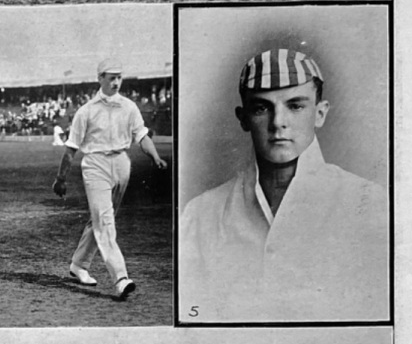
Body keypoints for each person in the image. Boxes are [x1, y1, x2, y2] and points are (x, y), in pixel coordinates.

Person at [178, 45, 389, 322]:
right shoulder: (201, 213)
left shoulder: (370, 202)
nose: (278, 122)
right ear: (243, 119)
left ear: (320, 113)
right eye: (261, 108)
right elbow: (194, 316)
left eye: (296, 106)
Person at [53, 57, 168, 300]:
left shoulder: (129, 107)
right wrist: (60, 178)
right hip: (95, 165)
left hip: (122, 164)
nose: (116, 82)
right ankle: (120, 278)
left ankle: (79, 265)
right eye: (111, 77)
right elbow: (71, 148)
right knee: (105, 221)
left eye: (119, 77)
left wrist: (155, 157)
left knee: (102, 218)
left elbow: (142, 136)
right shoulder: (86, 111)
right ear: (100, 78)